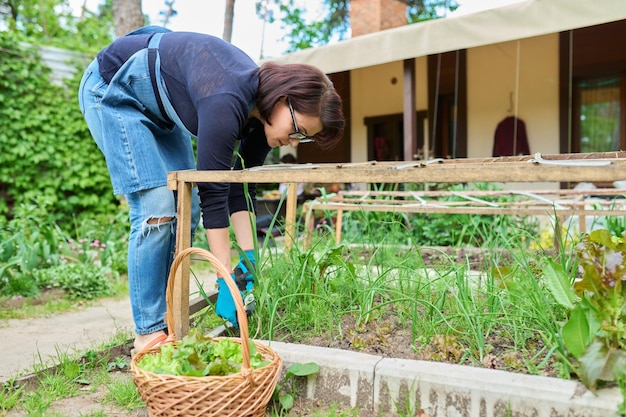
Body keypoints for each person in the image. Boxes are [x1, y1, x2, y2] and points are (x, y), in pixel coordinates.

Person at [77, 26, 344, 353]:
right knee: (157, 208)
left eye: (302, 138)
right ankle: (148, 332)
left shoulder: (263, 117)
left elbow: (238, 189)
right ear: (284, 99)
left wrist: (247, 265)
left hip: (161, 110)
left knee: (182, 208)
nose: (291, 141)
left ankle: (166, 322)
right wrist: (225, 279)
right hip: (112, 90)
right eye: (297, 130)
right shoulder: (227, 98)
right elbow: (213, 191)